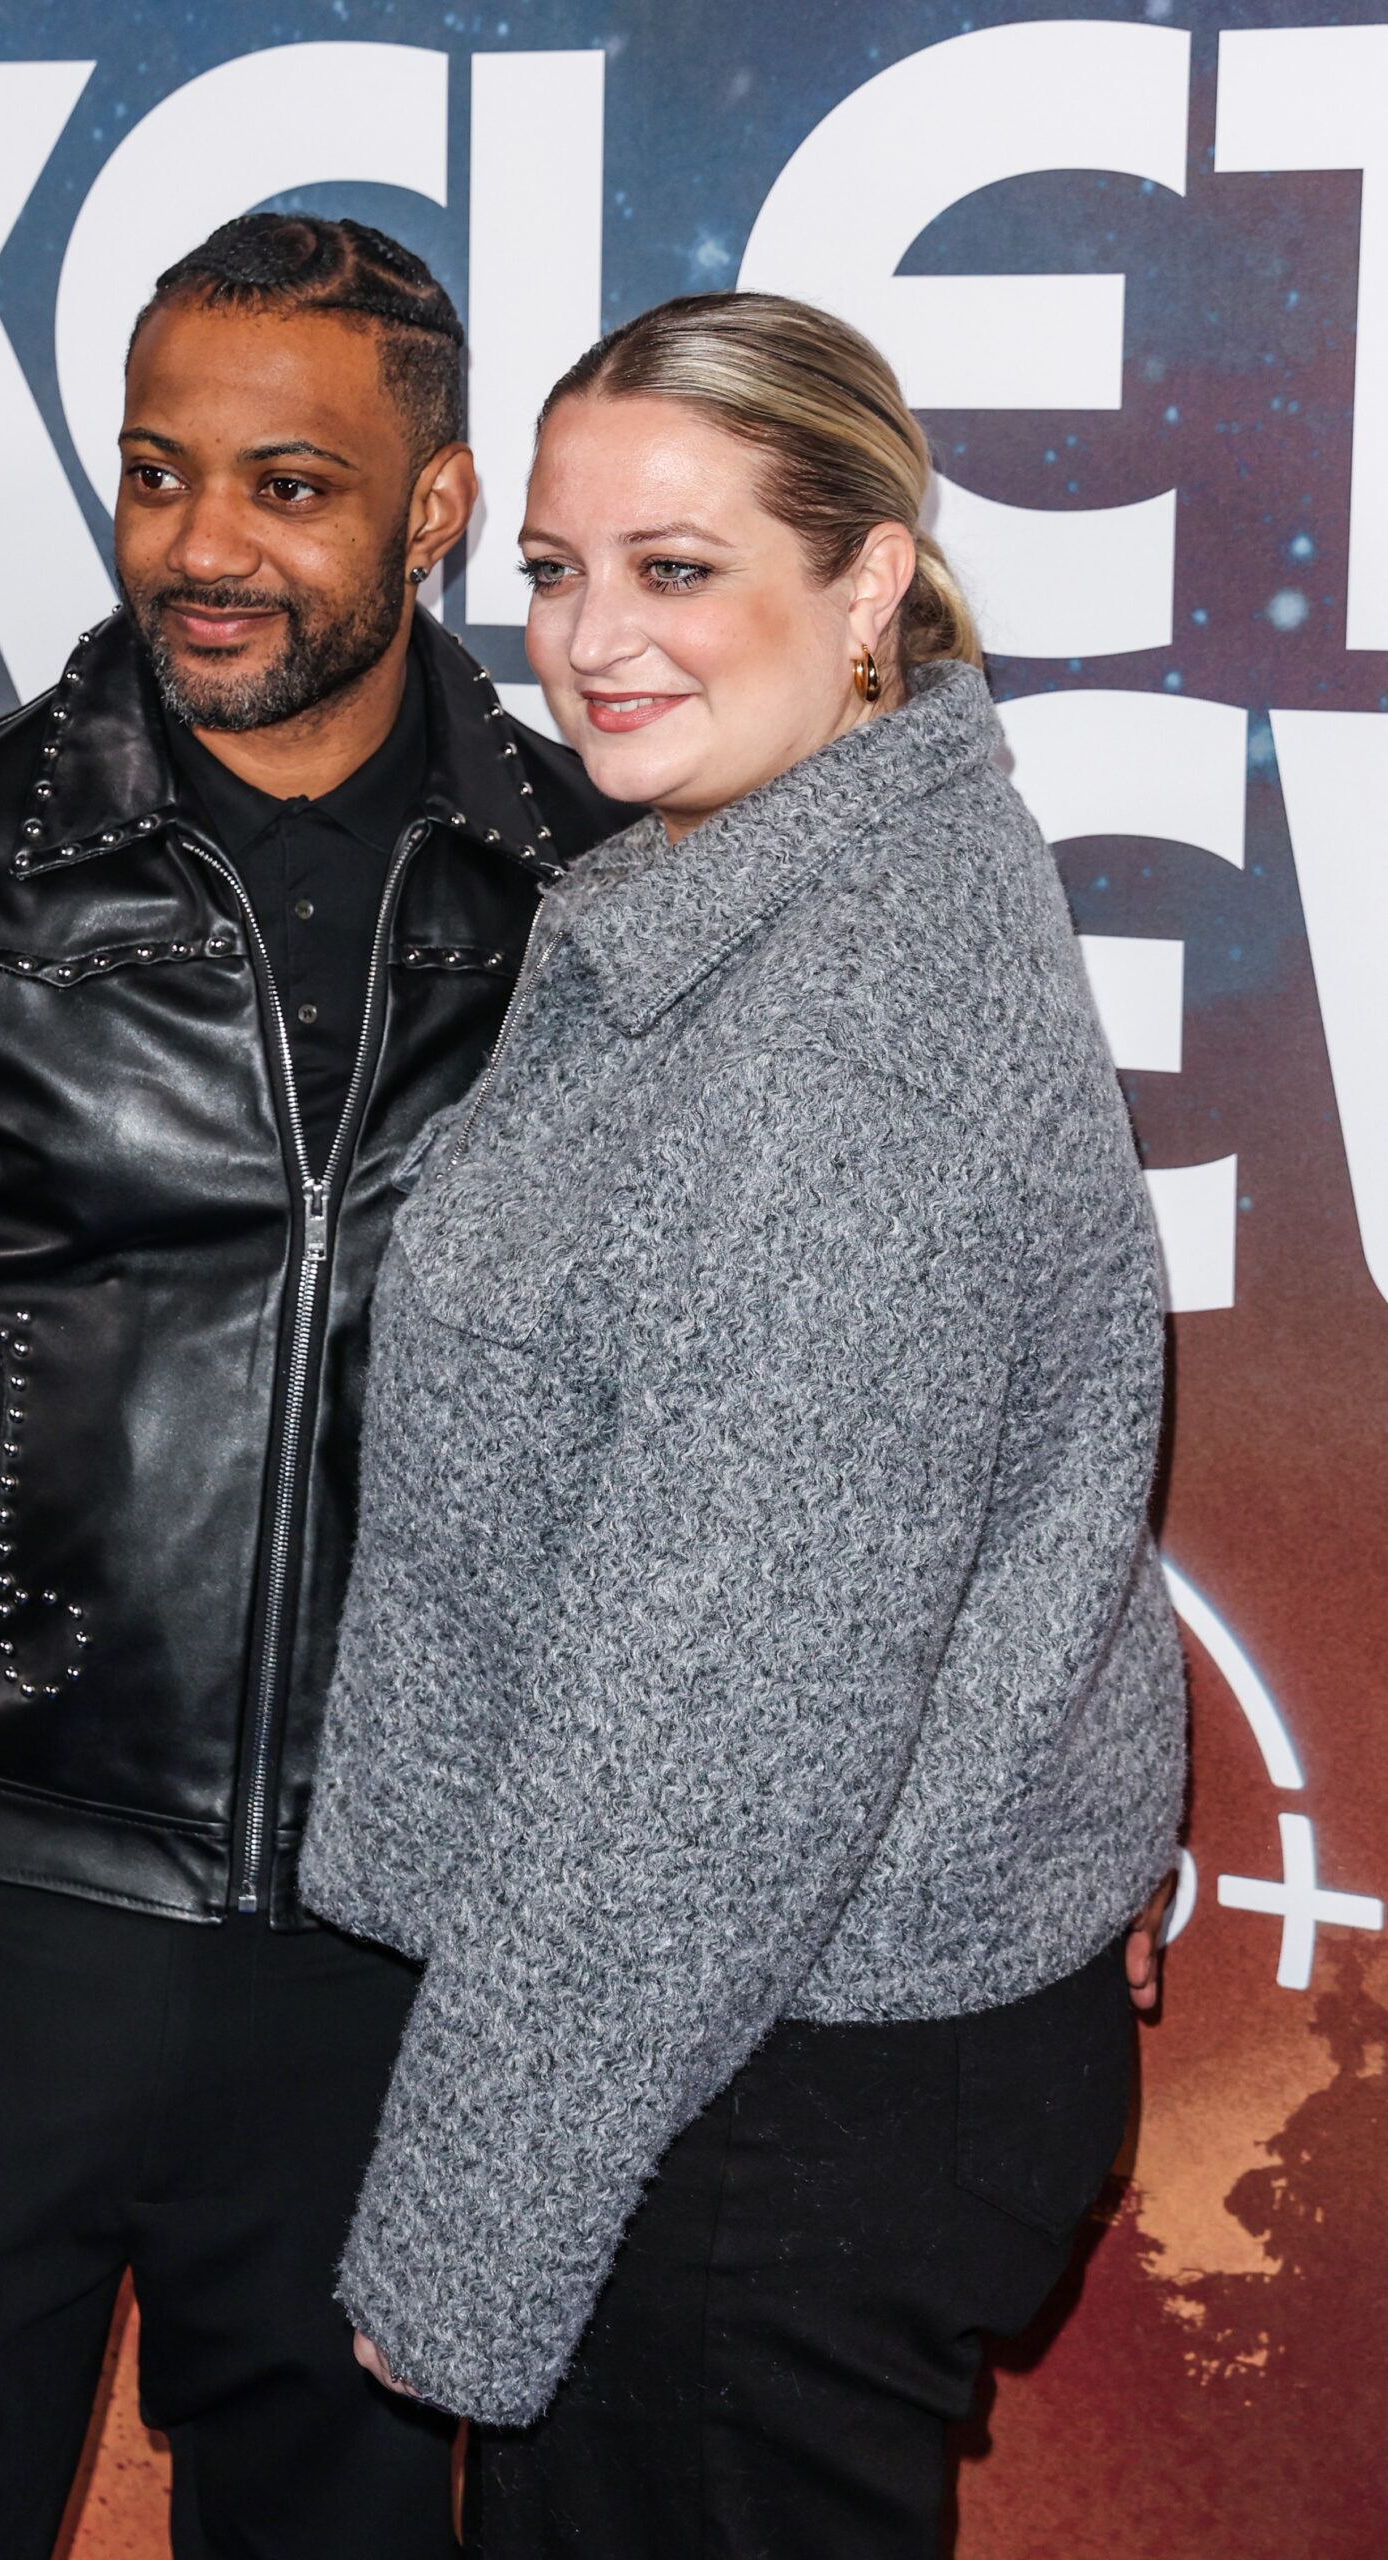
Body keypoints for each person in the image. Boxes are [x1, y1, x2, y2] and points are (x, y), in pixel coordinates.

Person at [0, 213, 627, 2560]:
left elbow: (780, 1406)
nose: (204, 546)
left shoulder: (604, 903)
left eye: (288, 486)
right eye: (155, 473)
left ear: (430, 510)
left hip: (396, 1949)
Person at [300, 290, 1190, 2558]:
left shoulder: (829, 1042)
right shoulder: (799, 875)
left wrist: (466, 2240)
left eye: (673, 568)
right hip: (791, 2037)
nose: (591, 638)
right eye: (554, 565)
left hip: (752, 2098)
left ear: (868, 578)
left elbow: (704, 1722)